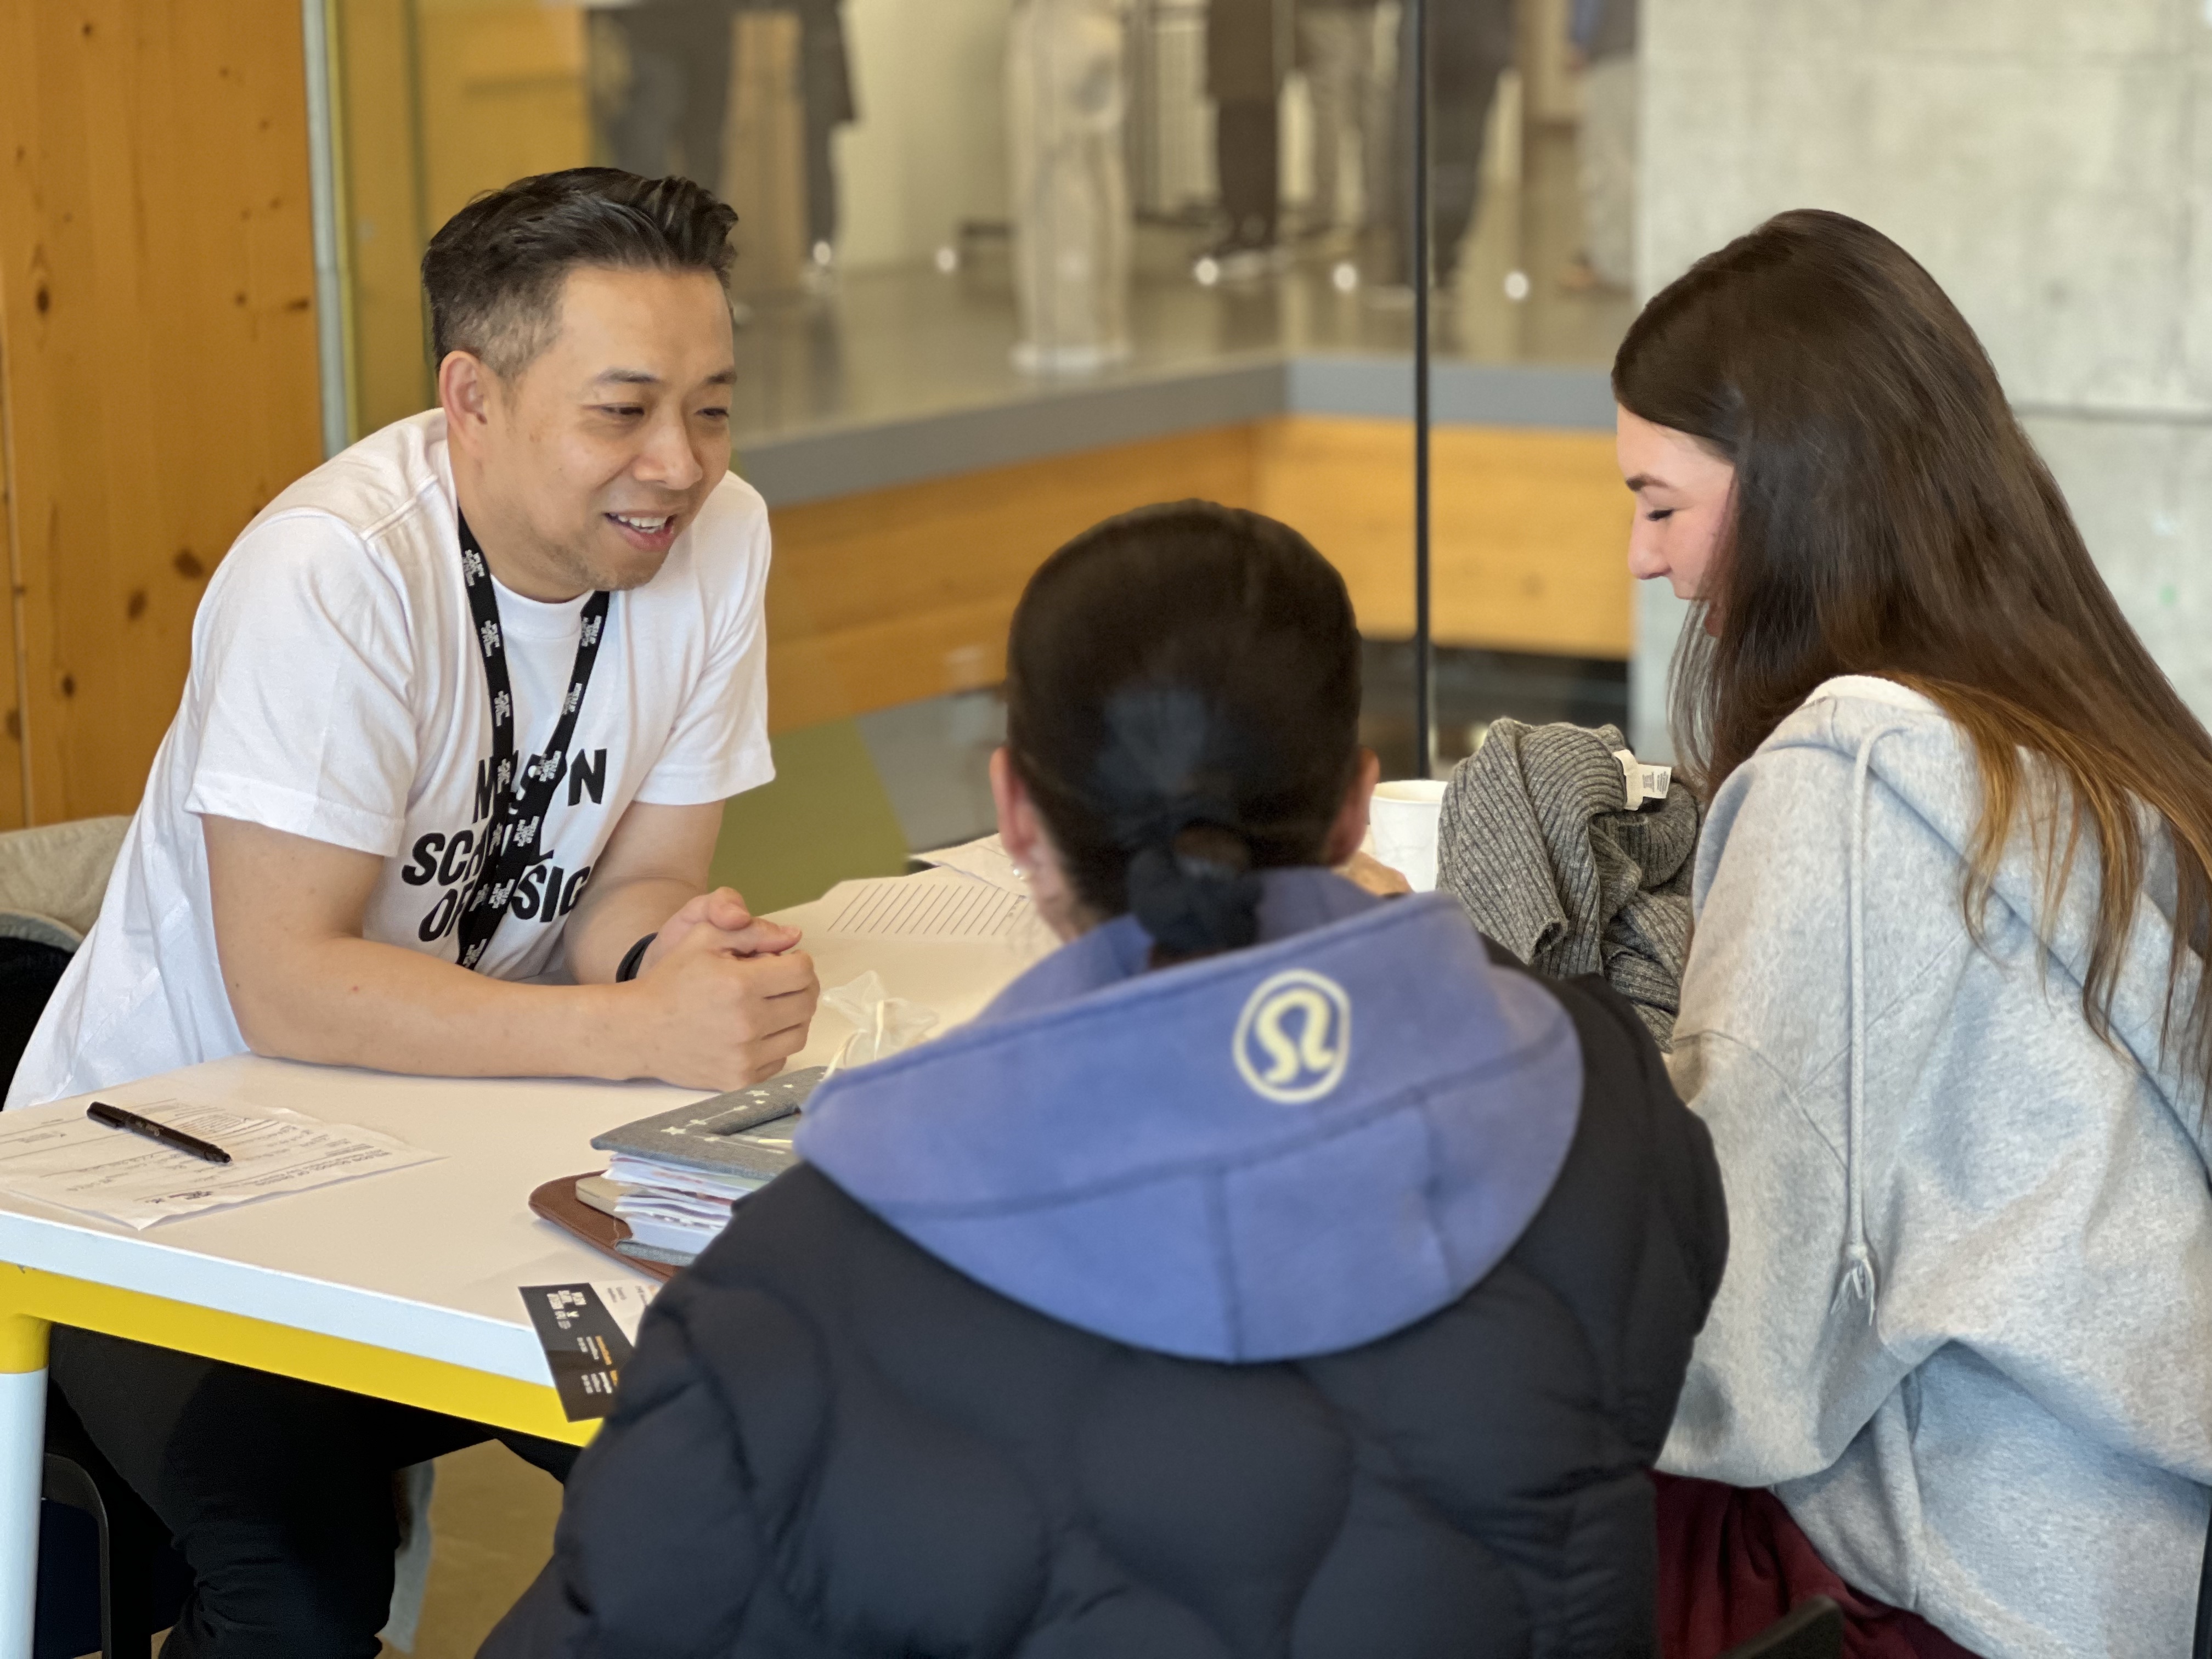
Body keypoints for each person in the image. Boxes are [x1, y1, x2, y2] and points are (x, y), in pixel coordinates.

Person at [481, 500, 1725, 1658]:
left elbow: (614, 1619)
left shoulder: (806, 1273)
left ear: (1015, 817)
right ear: (1358, 805)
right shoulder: (1596, 1095)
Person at [10, 167, 822, 1657]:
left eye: (712, 407)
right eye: (623, 410)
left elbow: (627, 882)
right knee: (299, 1602)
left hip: (456, 1153)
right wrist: (630, 1026)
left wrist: (678, 970)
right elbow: (292, 988)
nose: (680, 463)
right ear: (474, 399)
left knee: (732, 1479)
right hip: (165, 1187)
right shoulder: (333, 578)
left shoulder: (722, 540)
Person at [1617, 209, 2212, 1657]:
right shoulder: (2097, 740)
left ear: (1792, 489)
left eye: (1660, 501)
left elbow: (1737, 1349)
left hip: (1960, 1591)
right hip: (2140, 1562)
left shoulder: (1855, 777)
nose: (1647, 562)